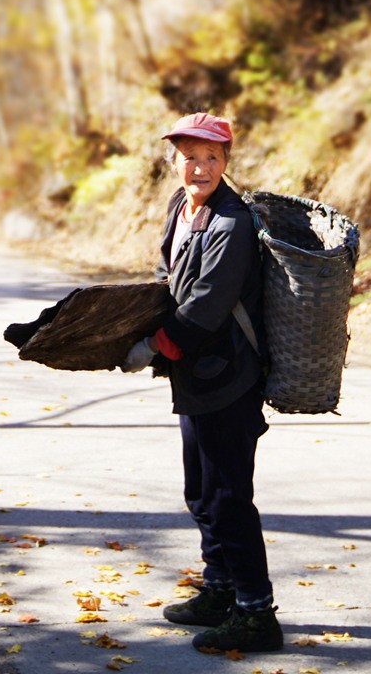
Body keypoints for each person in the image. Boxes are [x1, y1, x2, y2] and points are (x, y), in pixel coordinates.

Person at [121, 112, 282, 654]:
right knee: (202, 492)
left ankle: (257, 612)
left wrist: (151, 347)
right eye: (191, 156)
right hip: (194, 378)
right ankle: (218, 590)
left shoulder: (233, 224)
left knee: (228, 496)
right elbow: (172, 282)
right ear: (174, 161)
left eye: (213, 157)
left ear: (226, 163)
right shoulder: (182, 208)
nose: (201, 167)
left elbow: (206, 307)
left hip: (230, 379)